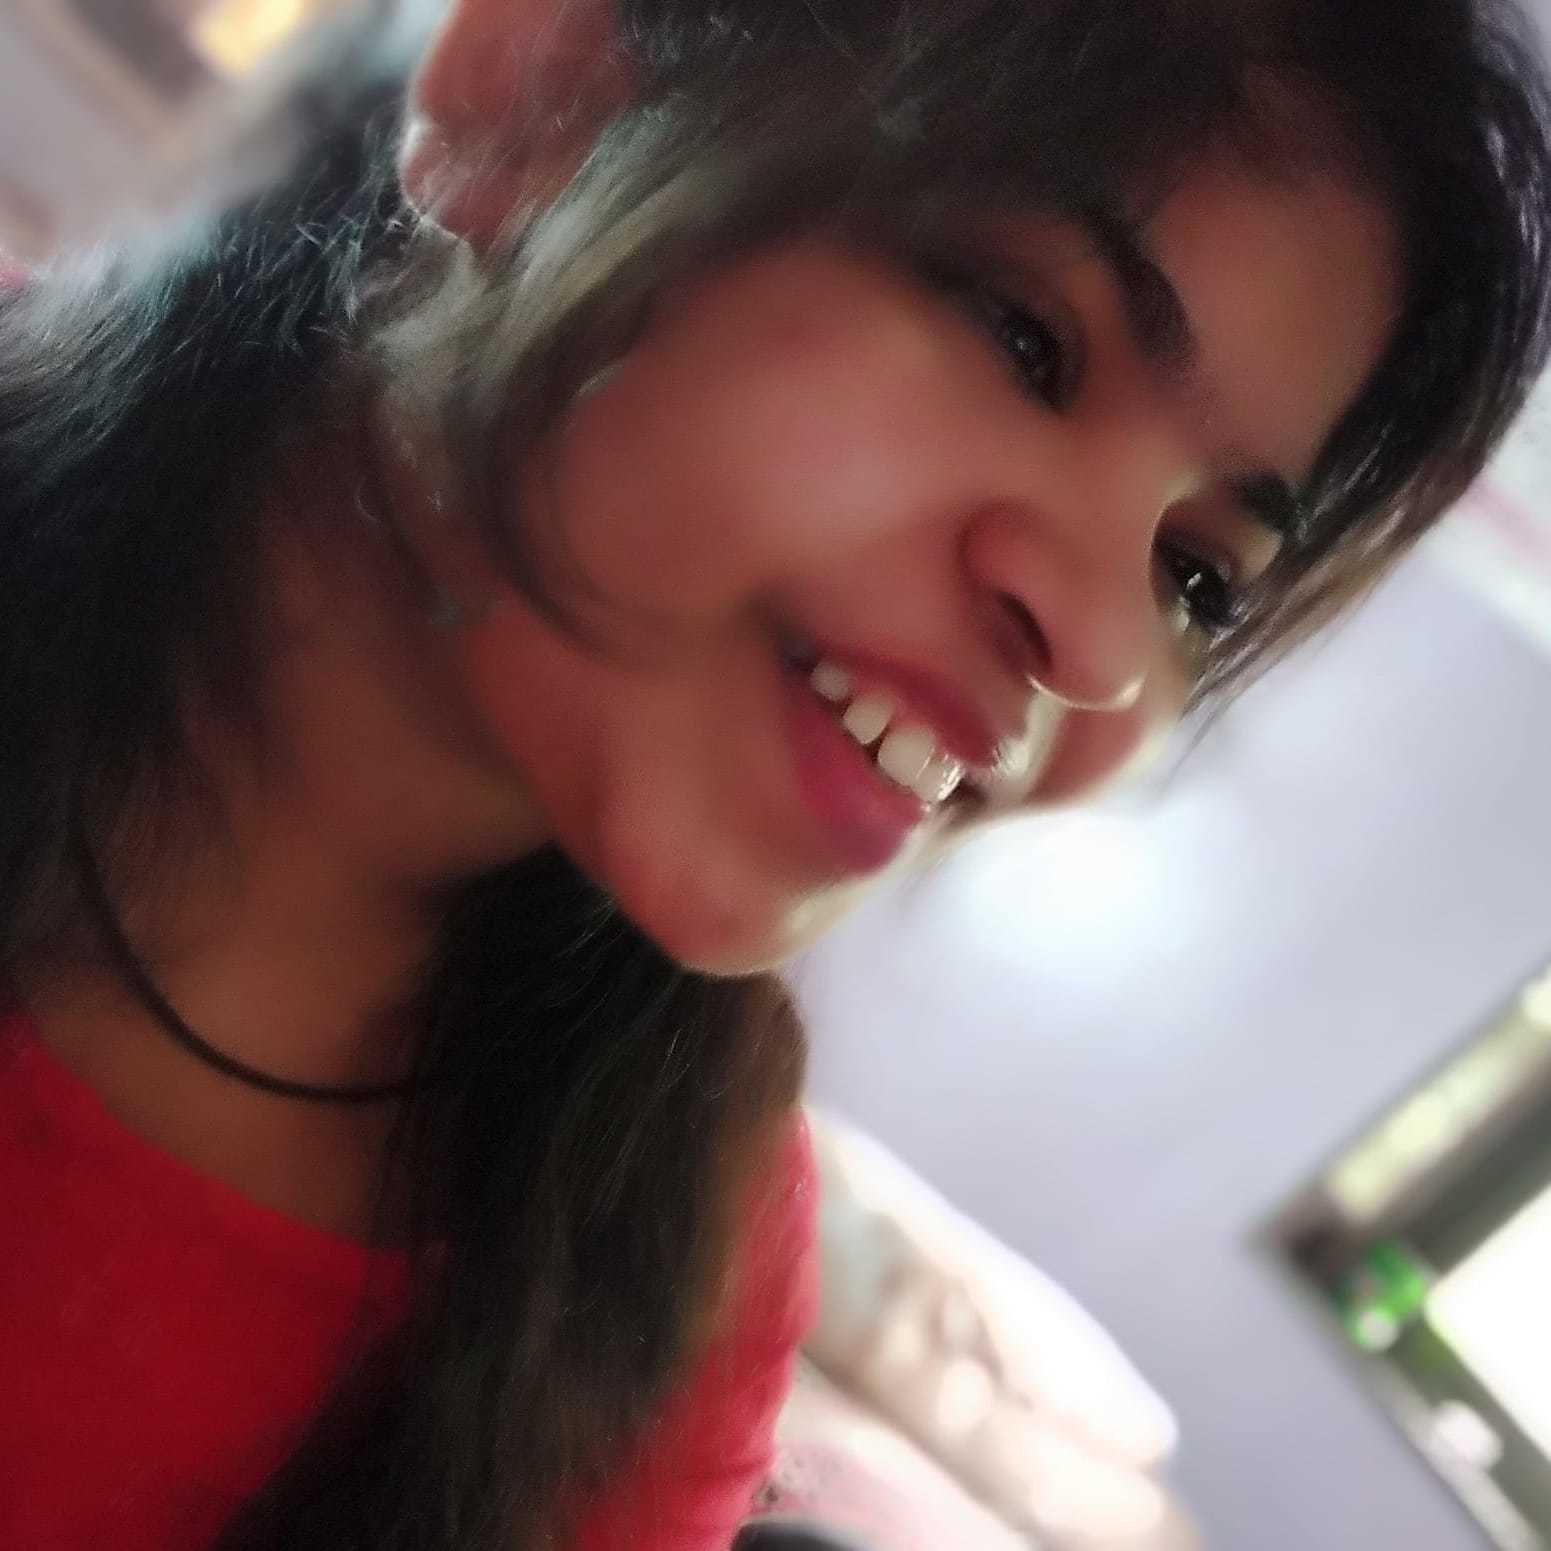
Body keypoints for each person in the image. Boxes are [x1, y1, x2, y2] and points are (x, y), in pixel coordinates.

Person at [1, 1, 1548, 1548]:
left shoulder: (675, 1266)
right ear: (541, 95)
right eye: (1026, 337)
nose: (1098, 647)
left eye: (1195, 578)